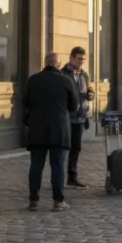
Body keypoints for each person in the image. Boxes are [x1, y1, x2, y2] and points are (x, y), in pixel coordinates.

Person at [23, 52, 79, 212]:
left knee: (36, 165)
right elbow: (74, 106)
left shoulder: (33, 80)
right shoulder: (66, 80)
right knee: (58, 166)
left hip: (37, 129)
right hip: (59, 130)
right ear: (58, 64)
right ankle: (58, 201)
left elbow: (25, 102)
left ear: (45, 63)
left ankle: (33, 200)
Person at [62, 46, 94, 189]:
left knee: (76, 148)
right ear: (71, 58)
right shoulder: (63, 74)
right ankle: (57, 177)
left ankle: (72, 177)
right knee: (63, 149)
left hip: (80, 117)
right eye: (79, 59)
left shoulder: (84, 75)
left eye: (83, 59)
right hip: (66, 118)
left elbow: (89, 88)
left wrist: (91, 93)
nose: (82, 62)